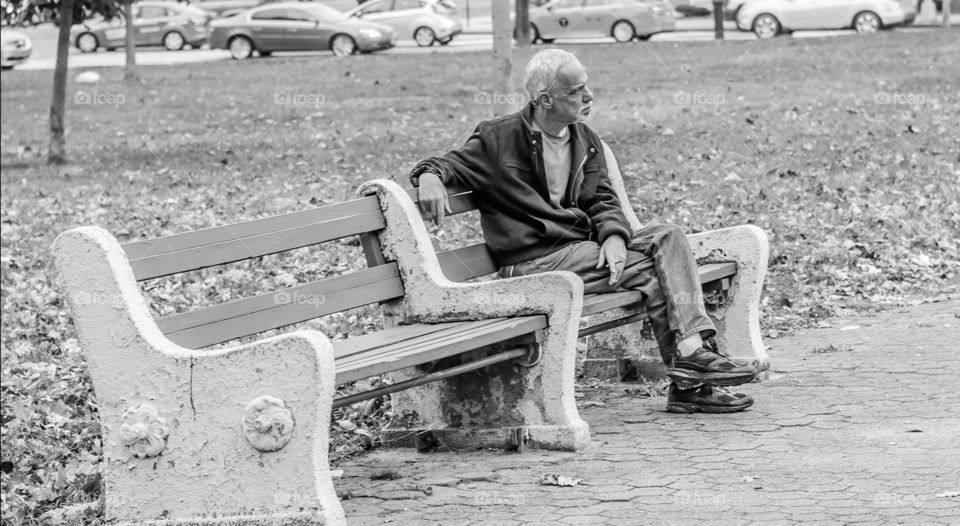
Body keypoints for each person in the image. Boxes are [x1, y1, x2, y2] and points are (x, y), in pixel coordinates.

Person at [409, 49, 758, 414]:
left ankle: (690, 366)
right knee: (656, 275)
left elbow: (602, 199)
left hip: (582, 250)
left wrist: (614, 237)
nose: (588, 96)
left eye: (585, 86)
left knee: (667, 236)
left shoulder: (582, 138)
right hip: (533, 261)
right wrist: (430, 176)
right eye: (576, 91)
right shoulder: (498, 138)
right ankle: (692, 373)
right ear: (545, 99)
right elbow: (446, 164)